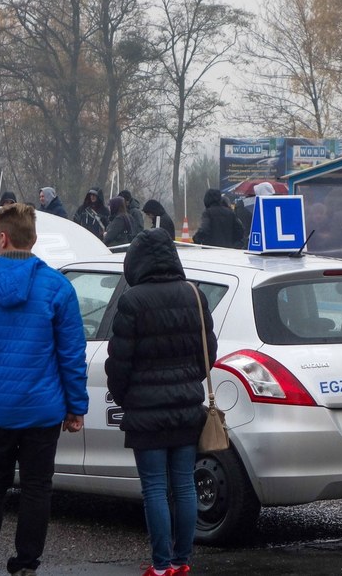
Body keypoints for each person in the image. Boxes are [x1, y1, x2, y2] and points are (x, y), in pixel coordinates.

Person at [0, 203, 88, 576]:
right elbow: (71, 353)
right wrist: (75, 405)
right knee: (36, 488)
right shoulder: (57, 286)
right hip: (43, 407)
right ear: (34, 238)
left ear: (2, 237)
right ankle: (26, 563)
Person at [104, 229, 215, 576]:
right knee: (183, 484)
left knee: (154, 486)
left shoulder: (132, 301)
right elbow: (207, 353)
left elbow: (118, 361)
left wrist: (127, 397)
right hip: (186, 407)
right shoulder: (194, 295)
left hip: (145, 410)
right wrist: (187, 382)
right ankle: (182, 561)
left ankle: (161, 564)